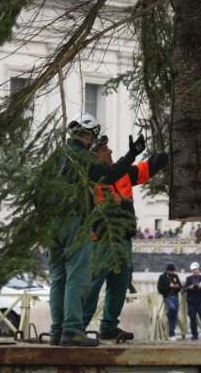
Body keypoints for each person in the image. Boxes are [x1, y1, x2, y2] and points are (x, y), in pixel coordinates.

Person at [48, 114, 142, 347]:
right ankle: (72, 331)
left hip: (52, 225)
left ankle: (56, 331)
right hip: (75, 222)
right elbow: (109, 175)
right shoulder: (84, 159)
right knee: (76, 277)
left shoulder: (55, 157)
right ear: (89, 135)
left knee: (58, 279)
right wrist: (131, 155)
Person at [82, 134, 168, 341]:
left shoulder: (122, 173)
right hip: (101, 240)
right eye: (105, 150)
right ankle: (78, 326)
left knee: (120, 284)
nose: (110, 151)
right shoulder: (91, 177)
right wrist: (131, 154)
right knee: (93, 284)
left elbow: (145, 170)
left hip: (123, 238)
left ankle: (109, 326)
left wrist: (165, 152)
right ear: (94, 156)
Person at [157, 263, 182, 340]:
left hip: (175, 297)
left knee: (174, 315)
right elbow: (159, 288)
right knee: (172, 308)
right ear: (168, 270)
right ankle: (168, 314)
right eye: (172, 271)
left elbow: (180, 286)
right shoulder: (162, 277)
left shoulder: (175, 276)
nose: (173, 272)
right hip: (167, 297)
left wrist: (177, 286)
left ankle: (172, 333)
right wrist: (169, 286)